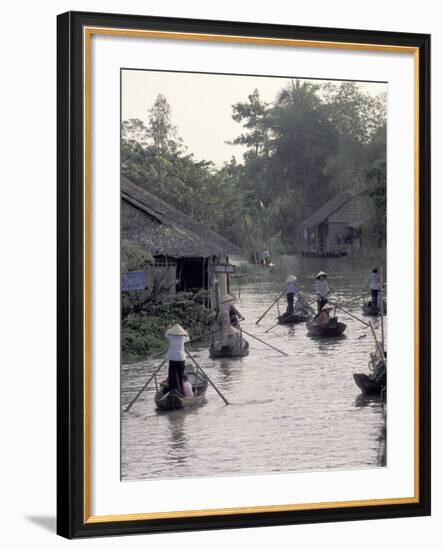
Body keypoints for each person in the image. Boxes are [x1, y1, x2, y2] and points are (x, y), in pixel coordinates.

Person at [165, 324, 189, 394]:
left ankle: (176, 391)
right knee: (181, 377)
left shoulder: (170, 336)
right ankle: (182, 393)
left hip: (173, 359)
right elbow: (188, 337)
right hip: (182, 359)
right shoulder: (183, 337)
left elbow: (166, 333)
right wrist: (186, 332)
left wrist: (168, 328)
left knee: (173, 376)